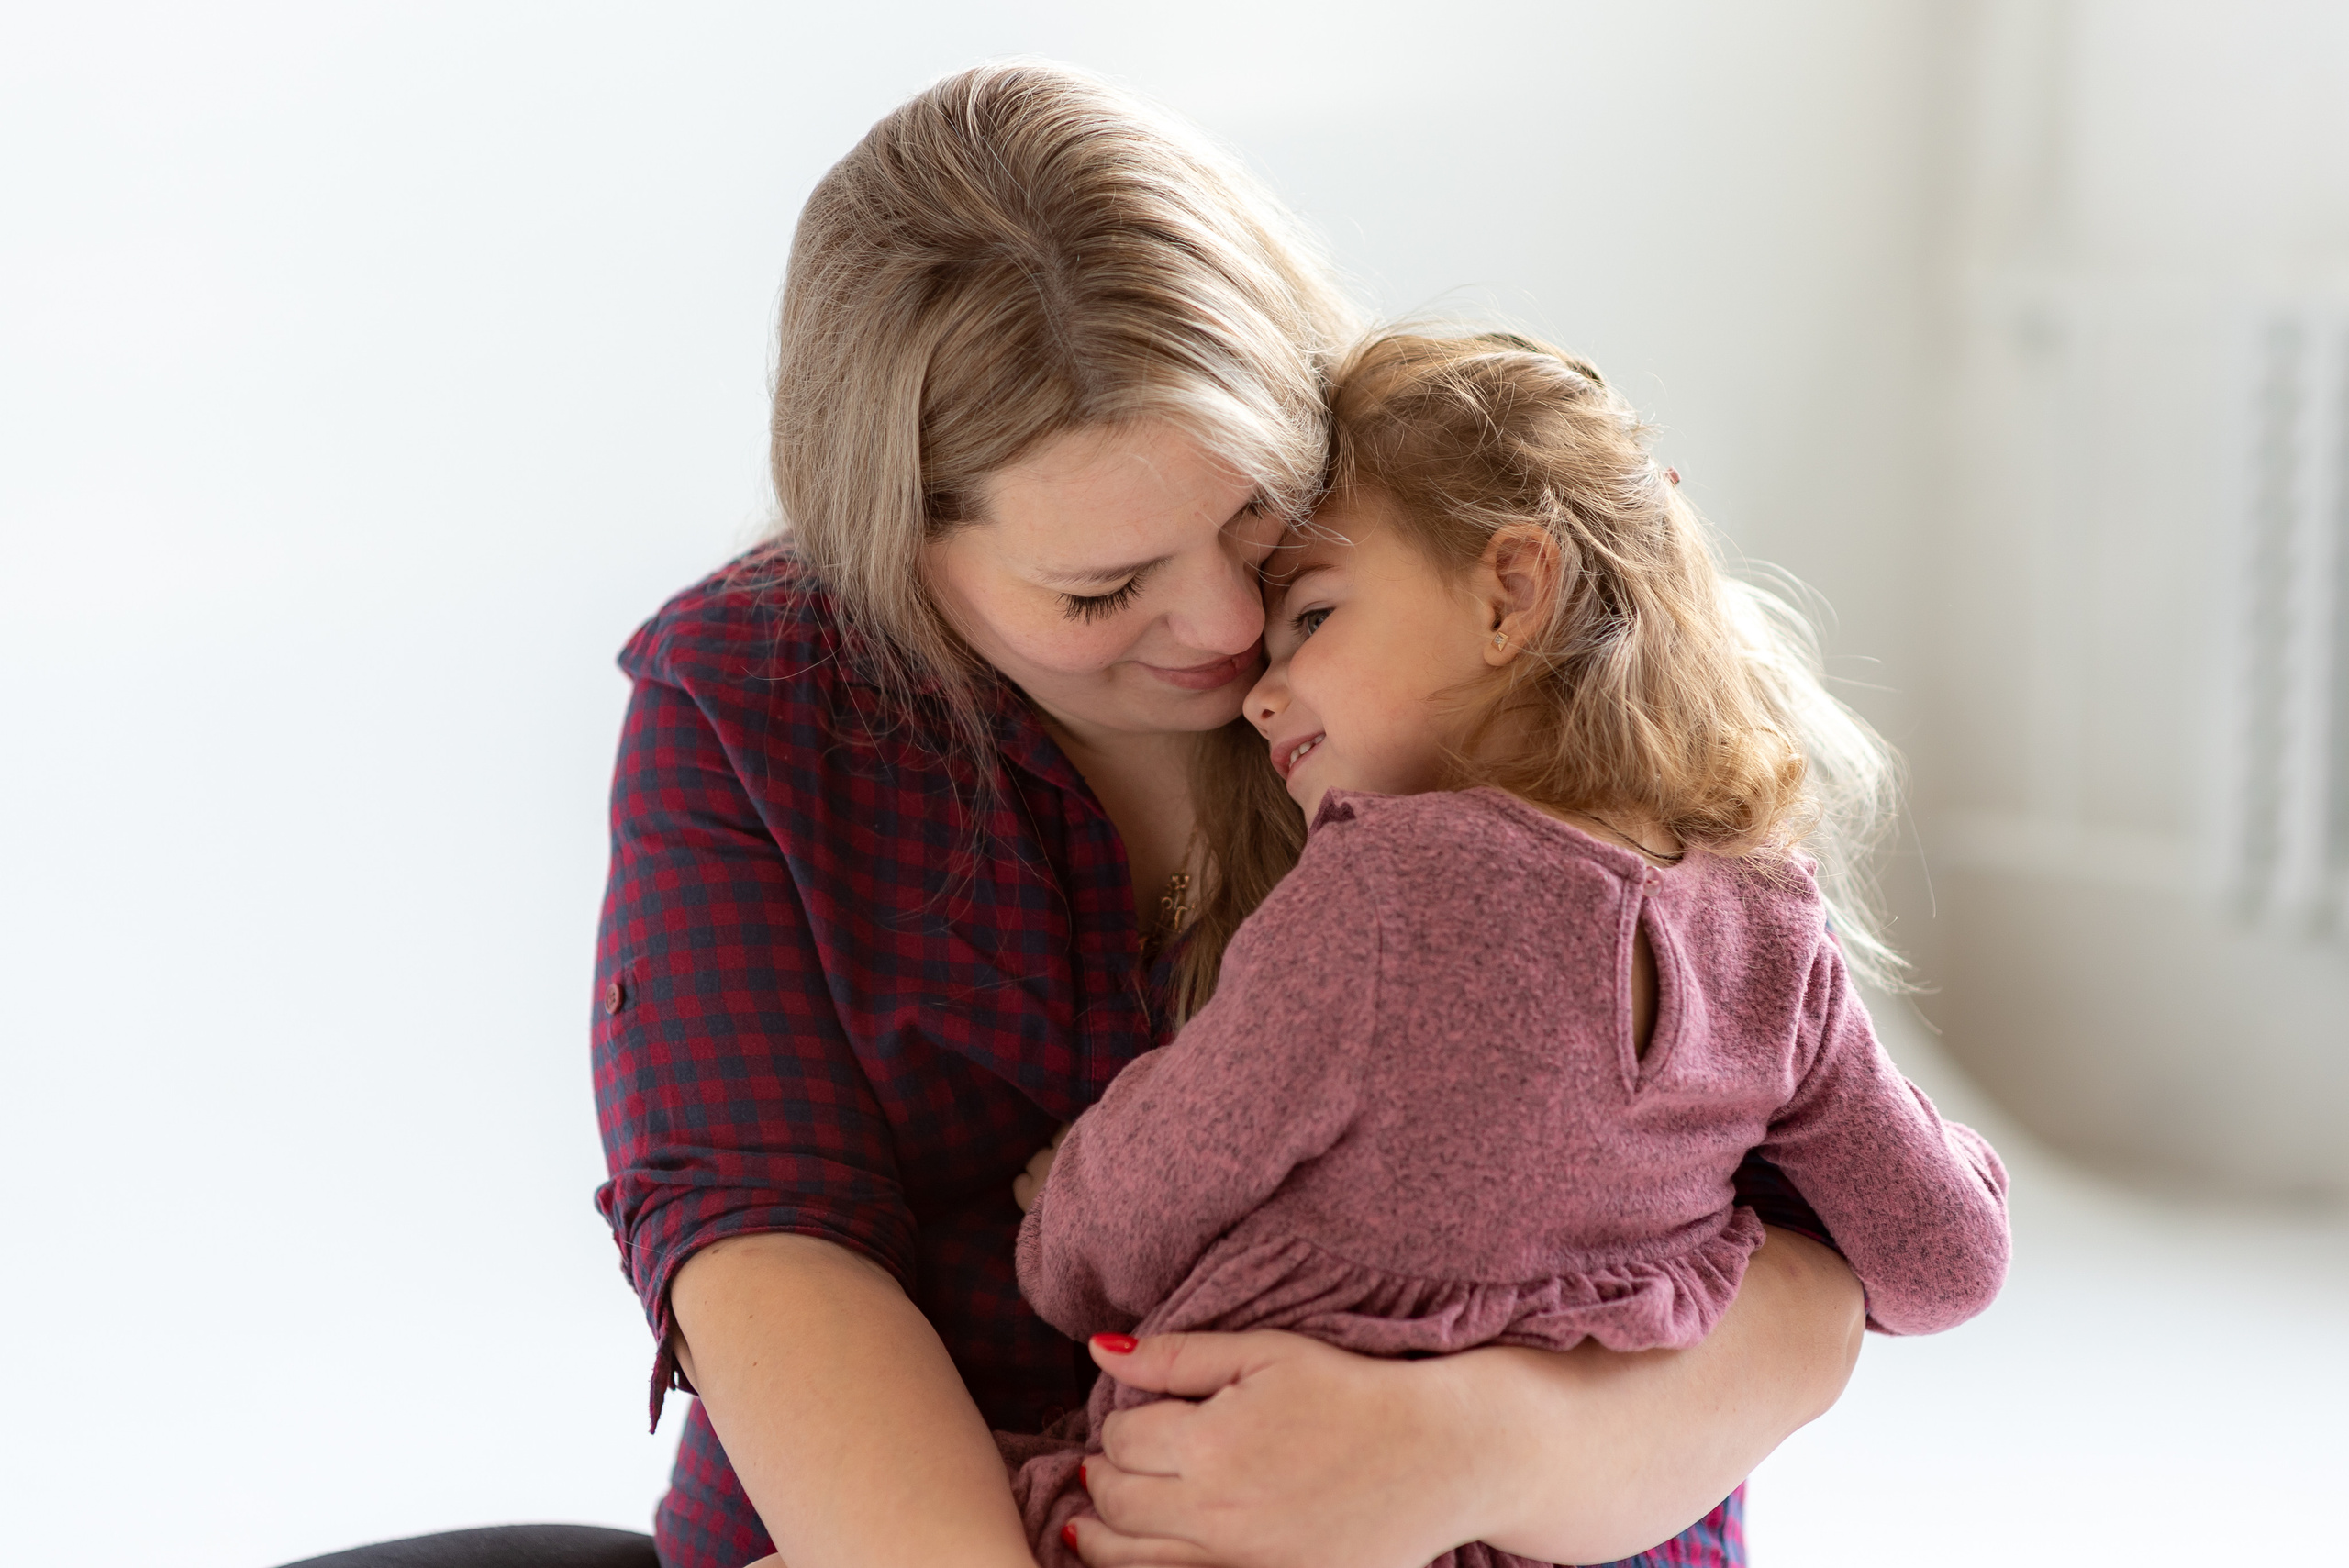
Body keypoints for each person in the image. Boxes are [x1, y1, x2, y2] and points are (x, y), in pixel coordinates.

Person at [576, 62, 1865, 1568]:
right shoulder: (748, 697)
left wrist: (1476, 1454)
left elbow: (1817, 1261)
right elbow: (769, 1242)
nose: (1226, 621)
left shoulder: (1490, 627)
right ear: (894, 555)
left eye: (1259, 507)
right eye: (1102, 588)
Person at [997, 331, 2010, 1567]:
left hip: (1235, 1518)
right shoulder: (1773, 926)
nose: (1262, 692)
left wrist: (1062, 1207)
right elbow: (1945, 1263)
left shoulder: (1388, 891)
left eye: (1311, 615)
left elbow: (1131, 1217)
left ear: (1509, 591)